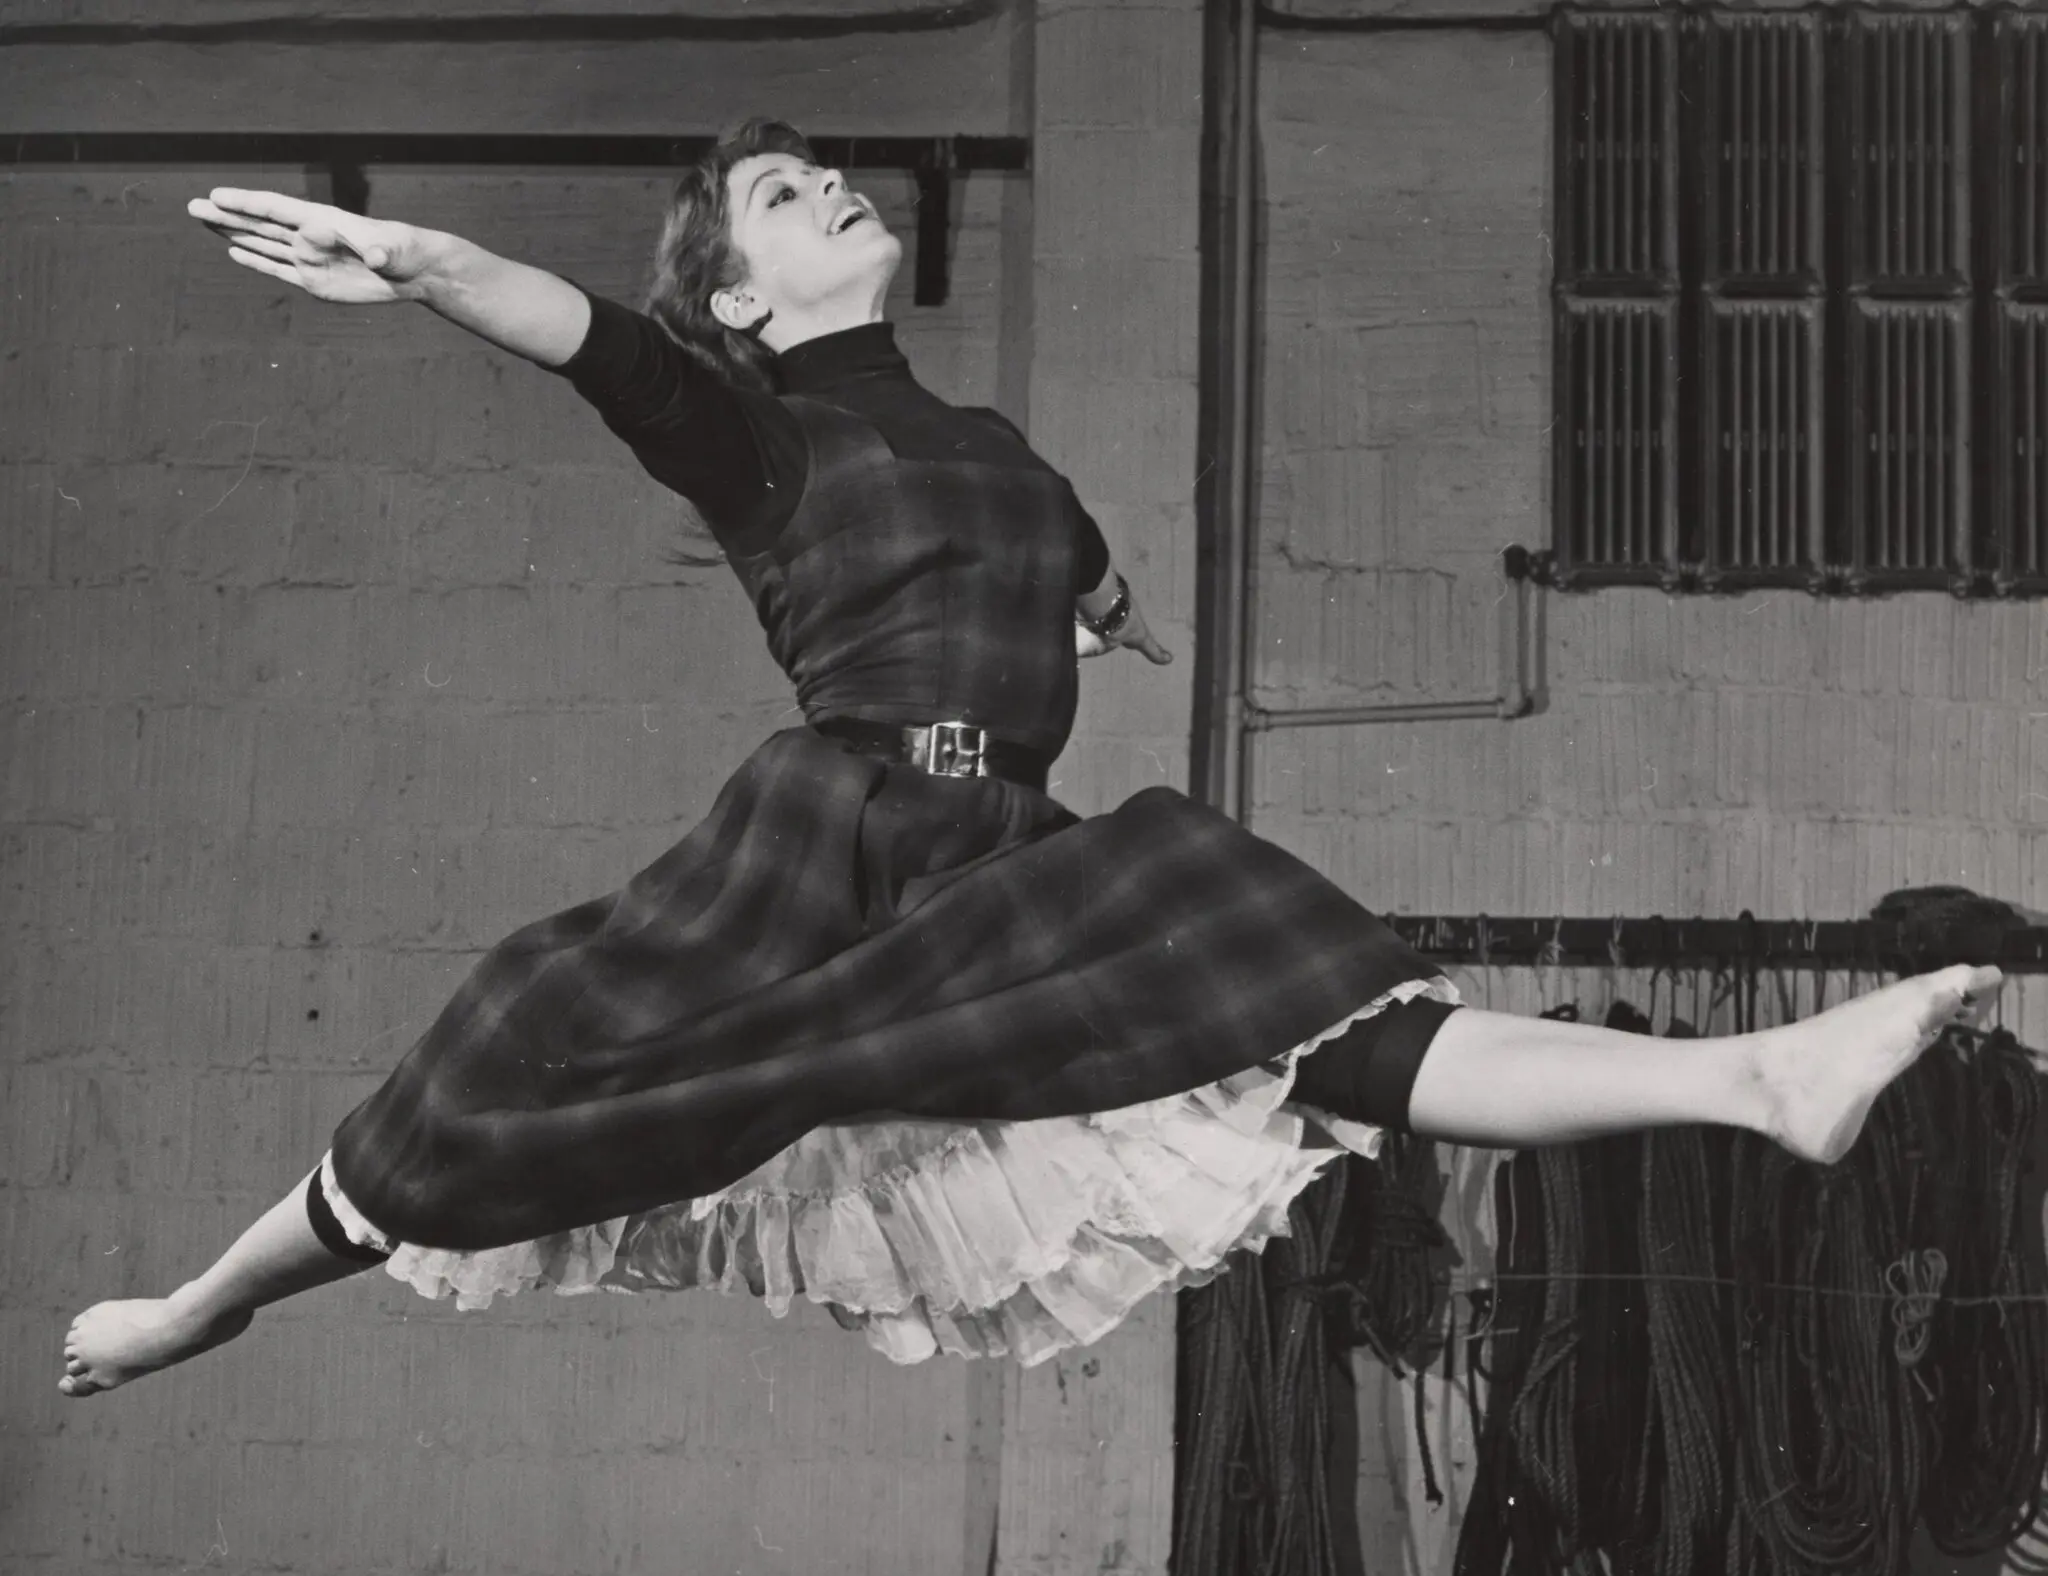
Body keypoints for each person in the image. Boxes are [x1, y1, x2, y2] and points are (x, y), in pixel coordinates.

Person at [62, 119, 1998, 1395]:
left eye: (825, 172)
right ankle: (204, 1299)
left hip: (999, 844)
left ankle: (1752, 1080)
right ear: (736, 295)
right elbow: (590, 343)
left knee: (1302, 1004)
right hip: (835, 824)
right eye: (781, 194)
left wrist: (1106, 610)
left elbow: (1068, 557)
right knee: (508, 1054)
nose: (827, 186)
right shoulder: (753, 430)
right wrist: (416, 258)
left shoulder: (993, 449)